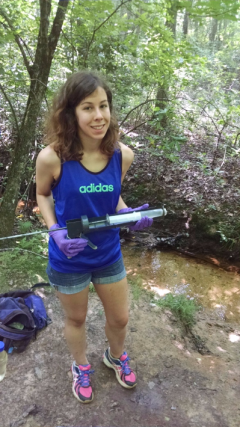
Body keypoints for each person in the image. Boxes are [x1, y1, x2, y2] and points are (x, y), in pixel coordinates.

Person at [36, 71, 153, 404]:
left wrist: (130, 214)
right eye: (88, 107)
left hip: (108, 254)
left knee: (120, 318)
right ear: (71, 112)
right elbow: (42, 195)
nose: (99, 115)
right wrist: (55, 231)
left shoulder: (122, 155)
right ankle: (81, 366)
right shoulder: (51, 157)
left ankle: (115, 356)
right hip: (68, 257)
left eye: (103, 106)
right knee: (76, 318)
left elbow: (111, 199)